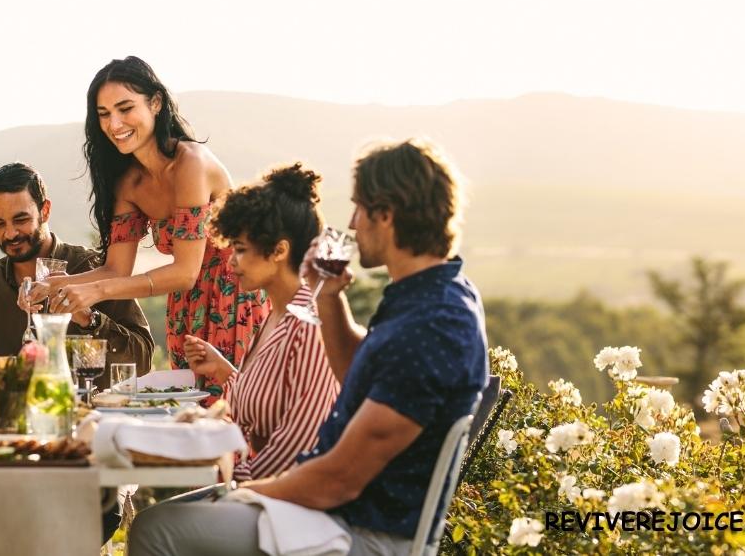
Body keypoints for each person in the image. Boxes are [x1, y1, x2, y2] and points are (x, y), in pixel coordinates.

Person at [129, 139, 489, 556]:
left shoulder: (434, 324)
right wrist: (331, 299)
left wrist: (244, 492)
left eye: (359, 208)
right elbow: (359, 372)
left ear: (386, 215)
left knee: (157, 530)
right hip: (337, 514)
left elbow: (341, 478)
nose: (352, 224)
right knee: (169, 518)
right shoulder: (423, 294)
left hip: (362, 531)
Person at [25, 57, 267, 396]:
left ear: (155, 102)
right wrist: (54, 285)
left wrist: (95, 292)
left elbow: (185, 272)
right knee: (191, 417)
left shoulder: (191, 164)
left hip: (236, 298)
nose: (115, 123)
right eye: (104, 113)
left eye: (125, 108)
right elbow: (115, 267)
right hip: (187, 309)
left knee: (238, 412)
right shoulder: (129, 183)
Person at [184, 163, 339, 480]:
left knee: (155, 526)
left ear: (279, 250)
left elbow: (299, 447)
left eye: (239, 250)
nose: (231, 262)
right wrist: (225, 371)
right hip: (260, 486)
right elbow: (267, 404)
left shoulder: (310, 324)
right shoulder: (276, 314)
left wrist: (224, 477)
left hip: (290, 501)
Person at [0, 162, 154, 381]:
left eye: (21, 220)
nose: (10, 233)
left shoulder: (96, 269)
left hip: (93, 413)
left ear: (45, 210)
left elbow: (143, 361)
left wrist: (90, 320)